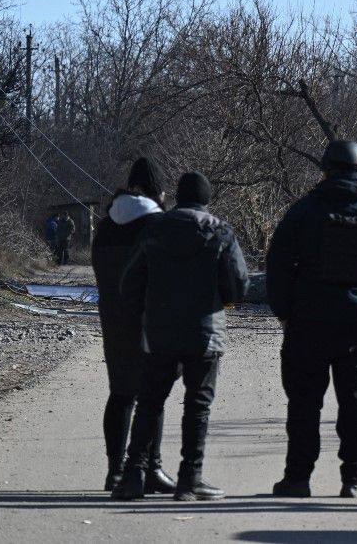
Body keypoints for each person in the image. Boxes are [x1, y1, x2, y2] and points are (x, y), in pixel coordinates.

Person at [265, 140, 357, 499]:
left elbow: (277, 266)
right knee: (356, 404)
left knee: (303, 405)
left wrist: (284, 313)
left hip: (307, 325)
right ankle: (355, 481)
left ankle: (297, 479)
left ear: (326, 169)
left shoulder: (302, 212)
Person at [111, 171, 249, 501]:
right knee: (197, 406)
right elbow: (238, 283)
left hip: (160, 332)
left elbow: (129, 283)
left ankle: (132, 477)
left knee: (149, 403)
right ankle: (190, 480)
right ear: (206, 199)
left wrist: (144, 312)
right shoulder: (221, 231)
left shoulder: (154, 229)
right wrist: (224, 301)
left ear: (178, 196)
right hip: (205, 332)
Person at [91, 158, 174, 493]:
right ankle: (150, 468)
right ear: (157, 189)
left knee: (120, 393)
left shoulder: (106, 225)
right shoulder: (158, 224)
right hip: (151, 318)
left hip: (113, 316)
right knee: (152, 396)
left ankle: (115, 471)